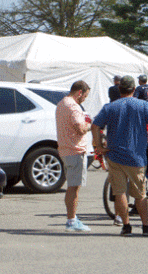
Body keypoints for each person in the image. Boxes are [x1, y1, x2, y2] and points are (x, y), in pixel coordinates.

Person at [91, 75, 148, 236]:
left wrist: (99, 146)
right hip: (136, 156)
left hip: (115, 156)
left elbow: (95, 126)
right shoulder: (143, 105)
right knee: (140, 194)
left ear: (119, 89)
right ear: (134, 90)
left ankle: (126, 225)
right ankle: (146, 226)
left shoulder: (110, 107)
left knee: (120, 192)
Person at [55, 80, 92, 232]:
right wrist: (90, 124)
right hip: (75, 151)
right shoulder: (74, 107)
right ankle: (71, 220)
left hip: (65, 149)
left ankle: (72, 218)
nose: (85, 99)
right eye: (85, 96)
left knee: (72, 186)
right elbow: (80, 128)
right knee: (73, 188)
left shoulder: (62, 103)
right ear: (79, 92)